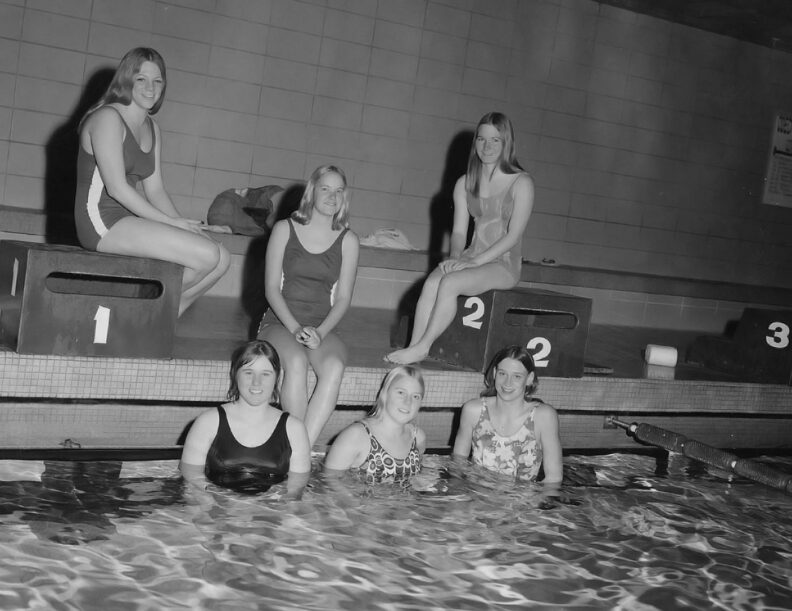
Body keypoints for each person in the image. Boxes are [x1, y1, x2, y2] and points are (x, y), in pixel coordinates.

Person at [74, 47, 230, 316]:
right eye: (141, 79)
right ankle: (135, 311)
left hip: (128, 218)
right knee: (207, 255)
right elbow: (117, 188)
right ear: (126, 80)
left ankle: (168, 312)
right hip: (99, 221)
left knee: (222, 259)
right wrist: (170, 224)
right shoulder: (107, 119)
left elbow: (156, 191)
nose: (151, 88)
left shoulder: (152, 128)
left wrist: (186, 226)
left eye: (157, 81)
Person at [386, 112, 534, 365]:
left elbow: (513, 236)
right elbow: (458, 232)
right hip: (471, 256)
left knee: (450, 283)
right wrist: (455, 258)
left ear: (506, 143)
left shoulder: (522, 183)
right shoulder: (465, 183)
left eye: (495, 140)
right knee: (433, 282)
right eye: (481, 139)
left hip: (502, 263)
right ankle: (413, 346)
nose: (487, 147)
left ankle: (423, 347)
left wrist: (475, 263)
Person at [257, 164, 359, 446]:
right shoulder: (284, 229)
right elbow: (270, 289)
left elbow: (343, 299)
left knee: (335, 367)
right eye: (325, 188)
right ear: (312, 192)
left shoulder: (348, 240)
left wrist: (320, 333)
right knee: (297, 362)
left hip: (322, 327)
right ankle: (293, 445)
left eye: (339, 191)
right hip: (281, 322)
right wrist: (297, 328)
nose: (332, 196)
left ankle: (301, 448)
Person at [180, 340, 311, 494]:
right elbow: (190, 479)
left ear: (276, 378)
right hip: (218, 508)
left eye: (265, 374)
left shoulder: (294, 429)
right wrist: (215, 505)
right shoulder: (208, 422)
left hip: (270, 511)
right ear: (235, 375)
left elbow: (296, 490)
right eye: (249, 373)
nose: (257, 382)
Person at [452, 345, 563, 484]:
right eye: (502, 374)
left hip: (522, 502)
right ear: (494, 373)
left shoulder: (544, 416)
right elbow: (458, 465)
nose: (507, 383)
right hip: (477, 499)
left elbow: (554, 478)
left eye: (517, 376)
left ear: (529, 378)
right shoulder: (473, 411)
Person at [324, 366, 426, 483]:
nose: (408, 402)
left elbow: (419, 476)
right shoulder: (356, 436)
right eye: (401, 392)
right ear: (384, 394)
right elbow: (329, 481)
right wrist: (353, 502)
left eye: (416, 396)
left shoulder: (417, 437)